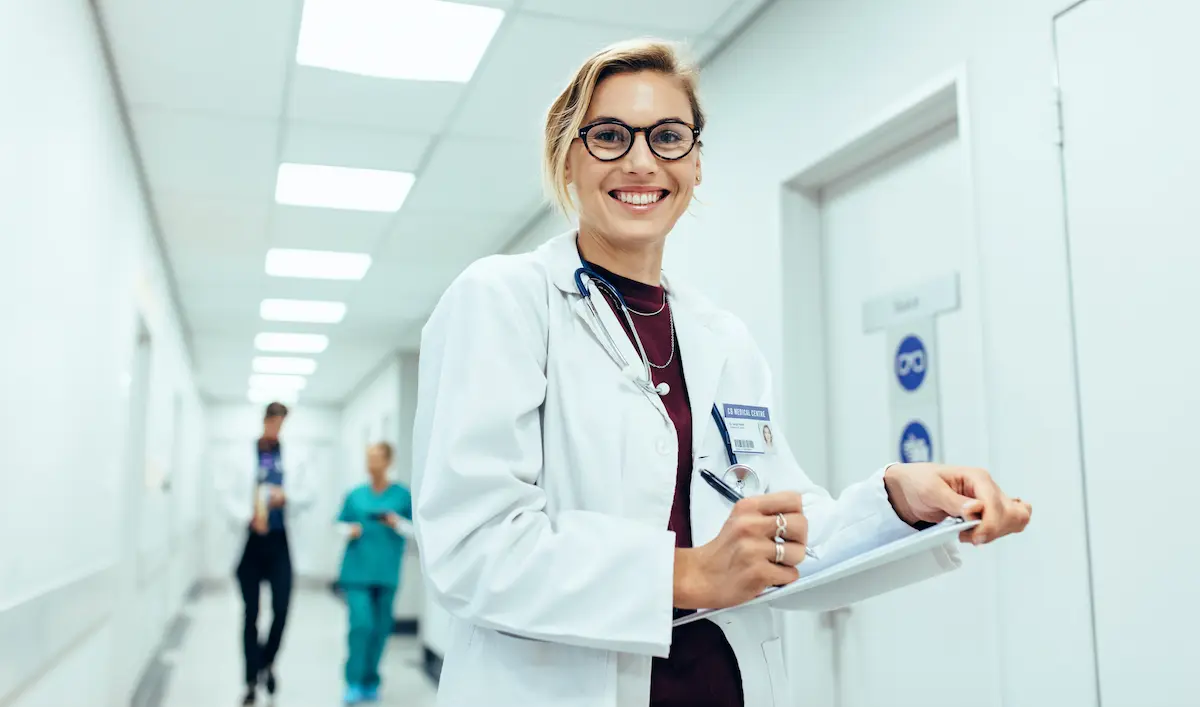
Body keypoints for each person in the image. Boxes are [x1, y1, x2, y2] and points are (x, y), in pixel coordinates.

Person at [411, 39, 1032, 707]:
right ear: (568, 157)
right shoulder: (504, 299)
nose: (642, 160)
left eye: (669, 137)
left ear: (697, 162)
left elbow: (778, 536)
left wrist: (901, 501)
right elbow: (472, 546)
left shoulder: (721, 338)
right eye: (610, 136)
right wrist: (684, 574)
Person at [220, 401, 315, 706]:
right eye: (274, 422)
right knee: (251, 614)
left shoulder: (292, 455)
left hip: (280, 542)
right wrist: (247, 515)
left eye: (282, 423)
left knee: (283, 608)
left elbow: (309, 494)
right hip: (250, 542)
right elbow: (223, 493)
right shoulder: (241, 453)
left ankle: (267, 661)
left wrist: (286, 497)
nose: (278, 428)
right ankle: (250, 680)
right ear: (265, 421)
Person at [334, 442, 414, 705]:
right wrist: (349, 530)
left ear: (389, 461)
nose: (372, 464)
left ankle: (371, 680)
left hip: (386, 572)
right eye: (369, 458)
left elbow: (418, 530)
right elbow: (338, 524)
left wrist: (397, 523)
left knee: (380, 628)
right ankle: (353, 681)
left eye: (377, 458)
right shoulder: (355, 495)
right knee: (361, 625)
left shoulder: (402, 496)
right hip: (356, 572)